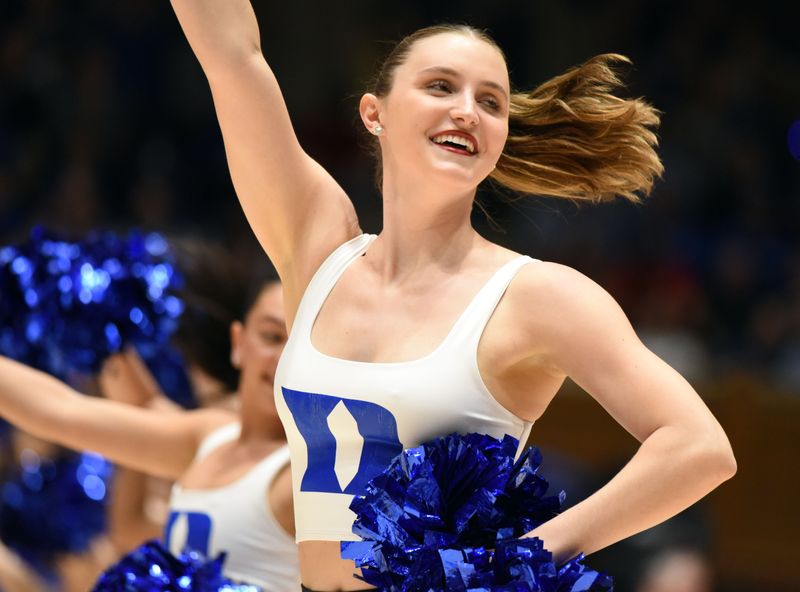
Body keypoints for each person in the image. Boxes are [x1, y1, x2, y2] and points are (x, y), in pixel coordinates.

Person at [169, 3, 737, 590]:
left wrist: (522, 557)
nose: (467, 111)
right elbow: (232, 56)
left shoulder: (535, 295)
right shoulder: (318, 248)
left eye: (491, 102)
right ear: (374, 113)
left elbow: (698, 447)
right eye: (441, 86)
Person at [0, 276, 300, 590]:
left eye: (296, 345)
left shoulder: (307, 469)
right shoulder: (208, 435)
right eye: (271, 336)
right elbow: (61, 411)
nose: (282, 358)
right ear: (239, 343)